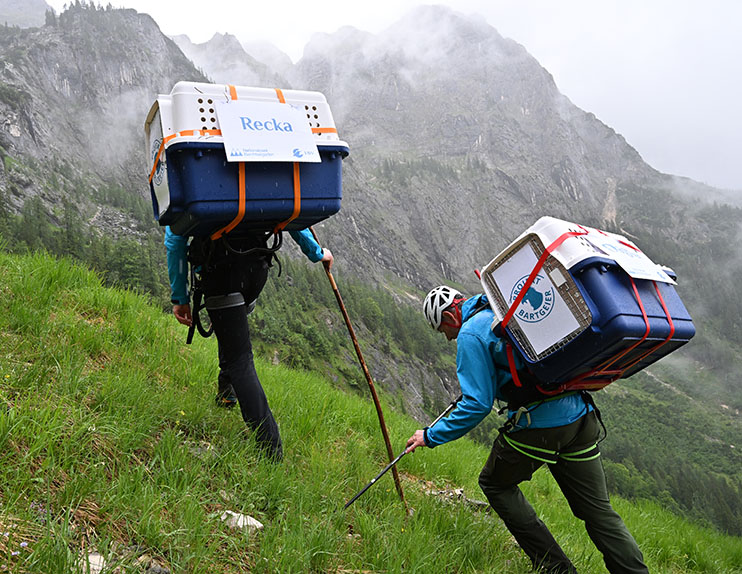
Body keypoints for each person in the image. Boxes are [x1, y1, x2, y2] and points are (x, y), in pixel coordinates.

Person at [405, 286, 649, 574]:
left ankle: (556, 569)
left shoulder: (470, 332)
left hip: (540, 426)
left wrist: (430, 436)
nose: (447, 337)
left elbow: (476, 405)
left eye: (442, 329)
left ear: (449, 315)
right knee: (598, 511)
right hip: (582, 416)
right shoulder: (498, 311)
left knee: (495, 484)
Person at [165, 226, 333, 461]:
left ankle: (271, 451)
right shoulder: (254, 186)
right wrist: (317, 252)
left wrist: (179, 298)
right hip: (256, 267)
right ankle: (227, 390)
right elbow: (293, 215)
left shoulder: (195, 189)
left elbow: (175, 240)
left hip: (221, 272)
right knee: (232, 330)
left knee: (240, 360)